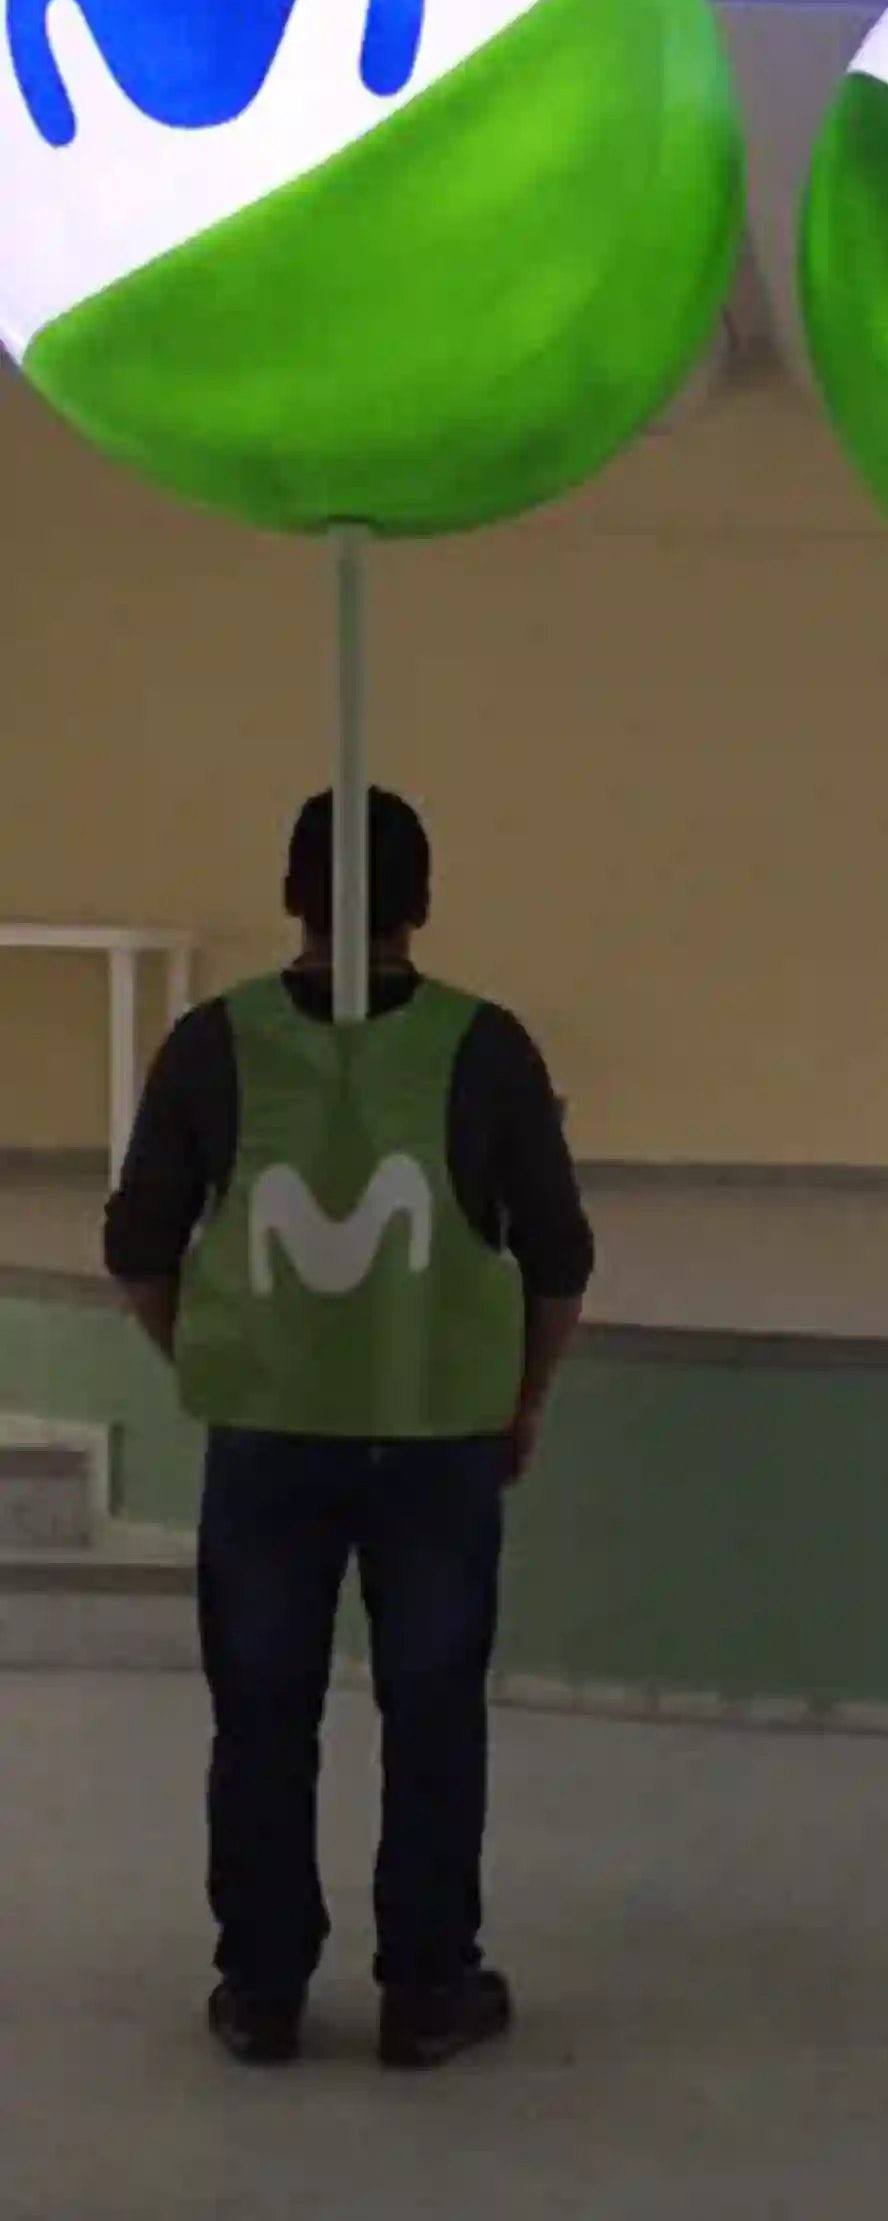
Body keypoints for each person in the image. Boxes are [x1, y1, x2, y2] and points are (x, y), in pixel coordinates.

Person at [105, 791, 594, 2072]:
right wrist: (523, 1400)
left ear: (296, 895)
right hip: (437, 1439)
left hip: (265, 1437)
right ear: (420, 900)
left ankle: (262, 1990)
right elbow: (558, 1256)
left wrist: (214, 1355)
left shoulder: (214, 1045)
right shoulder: (485, 1048)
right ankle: (427, 1989)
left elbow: (137, 1247)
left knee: (261, 1712)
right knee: (434, 1711)